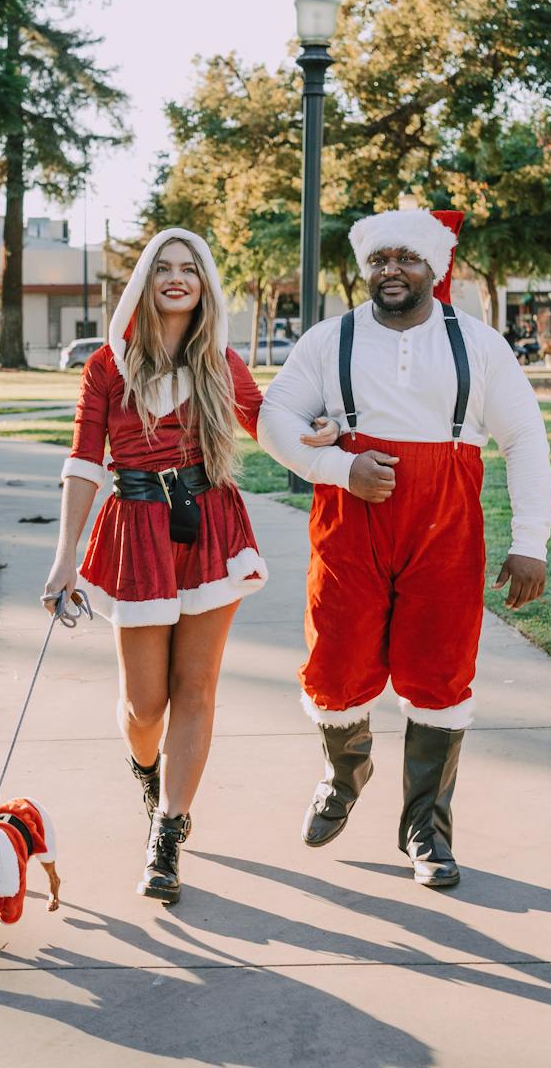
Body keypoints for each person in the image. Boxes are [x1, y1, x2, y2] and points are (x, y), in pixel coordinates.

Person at [257, 208, 551, 889]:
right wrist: (339, 469)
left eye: (408, 257)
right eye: (382, 258)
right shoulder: (329, 341)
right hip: (351, 522)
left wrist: (530, 540)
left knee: (441, 673)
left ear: (434, 266)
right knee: (334, 666)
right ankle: (344, 771)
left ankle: (426, 827)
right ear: (367, 268)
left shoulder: (478, 345)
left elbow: (525, 439)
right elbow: (274, 416)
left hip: (446, 527)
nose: (393, 268)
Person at [41, 228, 334, 904]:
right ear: (145, 282)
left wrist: (314, 437)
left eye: (190, 270)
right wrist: (64, 563)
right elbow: (86, 463)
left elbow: (266, 423)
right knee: (145, 706)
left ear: (204, 286)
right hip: (137, 532)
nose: (177, 279)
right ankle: (148, 773)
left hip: (209, 527)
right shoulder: (107, 368)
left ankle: (168, 831)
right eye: (164, 269)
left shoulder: (221, 364)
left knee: (195, 689)